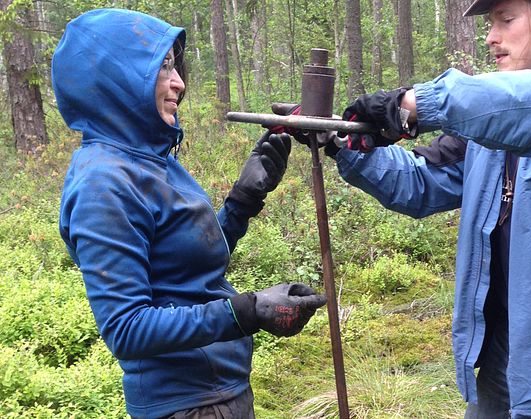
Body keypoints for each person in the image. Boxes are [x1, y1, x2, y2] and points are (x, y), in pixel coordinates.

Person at [300, 0, 531, 417]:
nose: (491, 37)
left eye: (506, 20)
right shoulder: (486, 134)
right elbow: (419, 182)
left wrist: (414, 103)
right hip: (502, 363)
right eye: (490, 24)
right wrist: (340, 143)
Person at [51, 8, 326, 419]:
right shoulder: (103, 183)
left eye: (174, 67)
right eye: (161, 69)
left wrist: (243, 201)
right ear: (115, 79)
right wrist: (248, 311)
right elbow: (126, 329)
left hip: (220, 391)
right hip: (185, 406)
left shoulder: (150, 160)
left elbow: (186, 266)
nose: (178, 82)